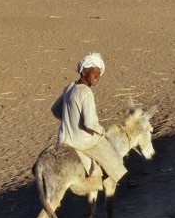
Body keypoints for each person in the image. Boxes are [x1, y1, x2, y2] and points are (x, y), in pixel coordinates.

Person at [51, 52, 127, 183]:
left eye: (99, 74)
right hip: (81, 141)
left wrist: (71, 121)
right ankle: (115, 179)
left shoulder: (69, 87)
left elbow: (55, 109)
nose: (97, 77)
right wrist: (102, 131)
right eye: (95, 73)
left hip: (63, 139)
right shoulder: (86, 92)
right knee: (105, 146)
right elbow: (90, 124)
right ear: (84, 71)